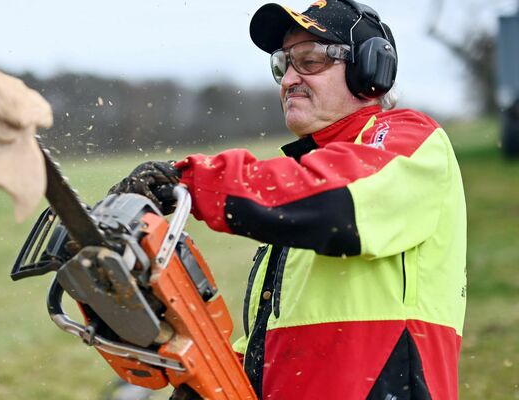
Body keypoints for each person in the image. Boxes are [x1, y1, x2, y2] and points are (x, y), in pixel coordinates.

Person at [108, 1, 467, 398]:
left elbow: (339, 200)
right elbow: (279, 346)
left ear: (371, 69)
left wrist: (192, 182)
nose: (289, 80)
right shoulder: (302, 191)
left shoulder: (410, 141)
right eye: (284, 64)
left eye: (310, 60)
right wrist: (208, 379)